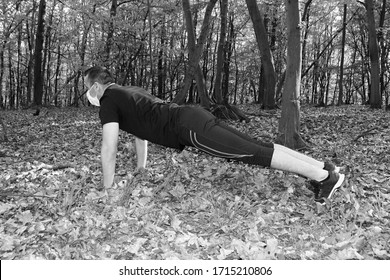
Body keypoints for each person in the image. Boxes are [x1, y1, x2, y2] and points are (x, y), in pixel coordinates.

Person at [84, 66, 345, 204]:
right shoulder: (128, 91)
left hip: (189, 129)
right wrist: (141, 167)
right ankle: (323, 167)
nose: (89, 95)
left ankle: (324, 177)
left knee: (253, 153)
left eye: (88, 88)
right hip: (191, 116)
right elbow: (139, 131)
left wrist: (107, 190)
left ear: (96, 86)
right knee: (257, 144)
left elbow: (109, 147)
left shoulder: (108, 100)